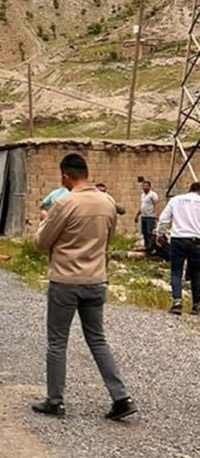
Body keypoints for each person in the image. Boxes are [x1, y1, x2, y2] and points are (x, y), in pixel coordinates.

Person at [32, 153, 137, 421]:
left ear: (66, 176)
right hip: (96, 280)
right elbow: (108, 239)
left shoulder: (65, 203)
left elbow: (42, 242)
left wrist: (44, 220)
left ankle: (55, 401)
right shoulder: (107, 202)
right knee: (98, 339)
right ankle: (121, 397)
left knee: (57, 343)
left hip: (65, 282)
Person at [156, 182, 200, 316]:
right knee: (196, 273)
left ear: (190, 189)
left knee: (176, 271)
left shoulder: (176, 200)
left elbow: (164, 219)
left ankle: (177, 302)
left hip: (178, 238)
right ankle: (196, 305)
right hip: (196, 240)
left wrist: (160, 234)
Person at [135, 181, 159, 256]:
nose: (145, 187)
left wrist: (156, 214)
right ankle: (147, 246)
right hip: (144, 216)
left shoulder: (152, 195)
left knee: (150, 232)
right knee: (144, 232)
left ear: (149, 186)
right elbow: (142, 206)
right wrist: (137, 215)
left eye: (146, 186)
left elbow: (156, 204)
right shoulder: (142, 195)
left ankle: (152, 247)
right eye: (143, 186)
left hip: (150, 216)